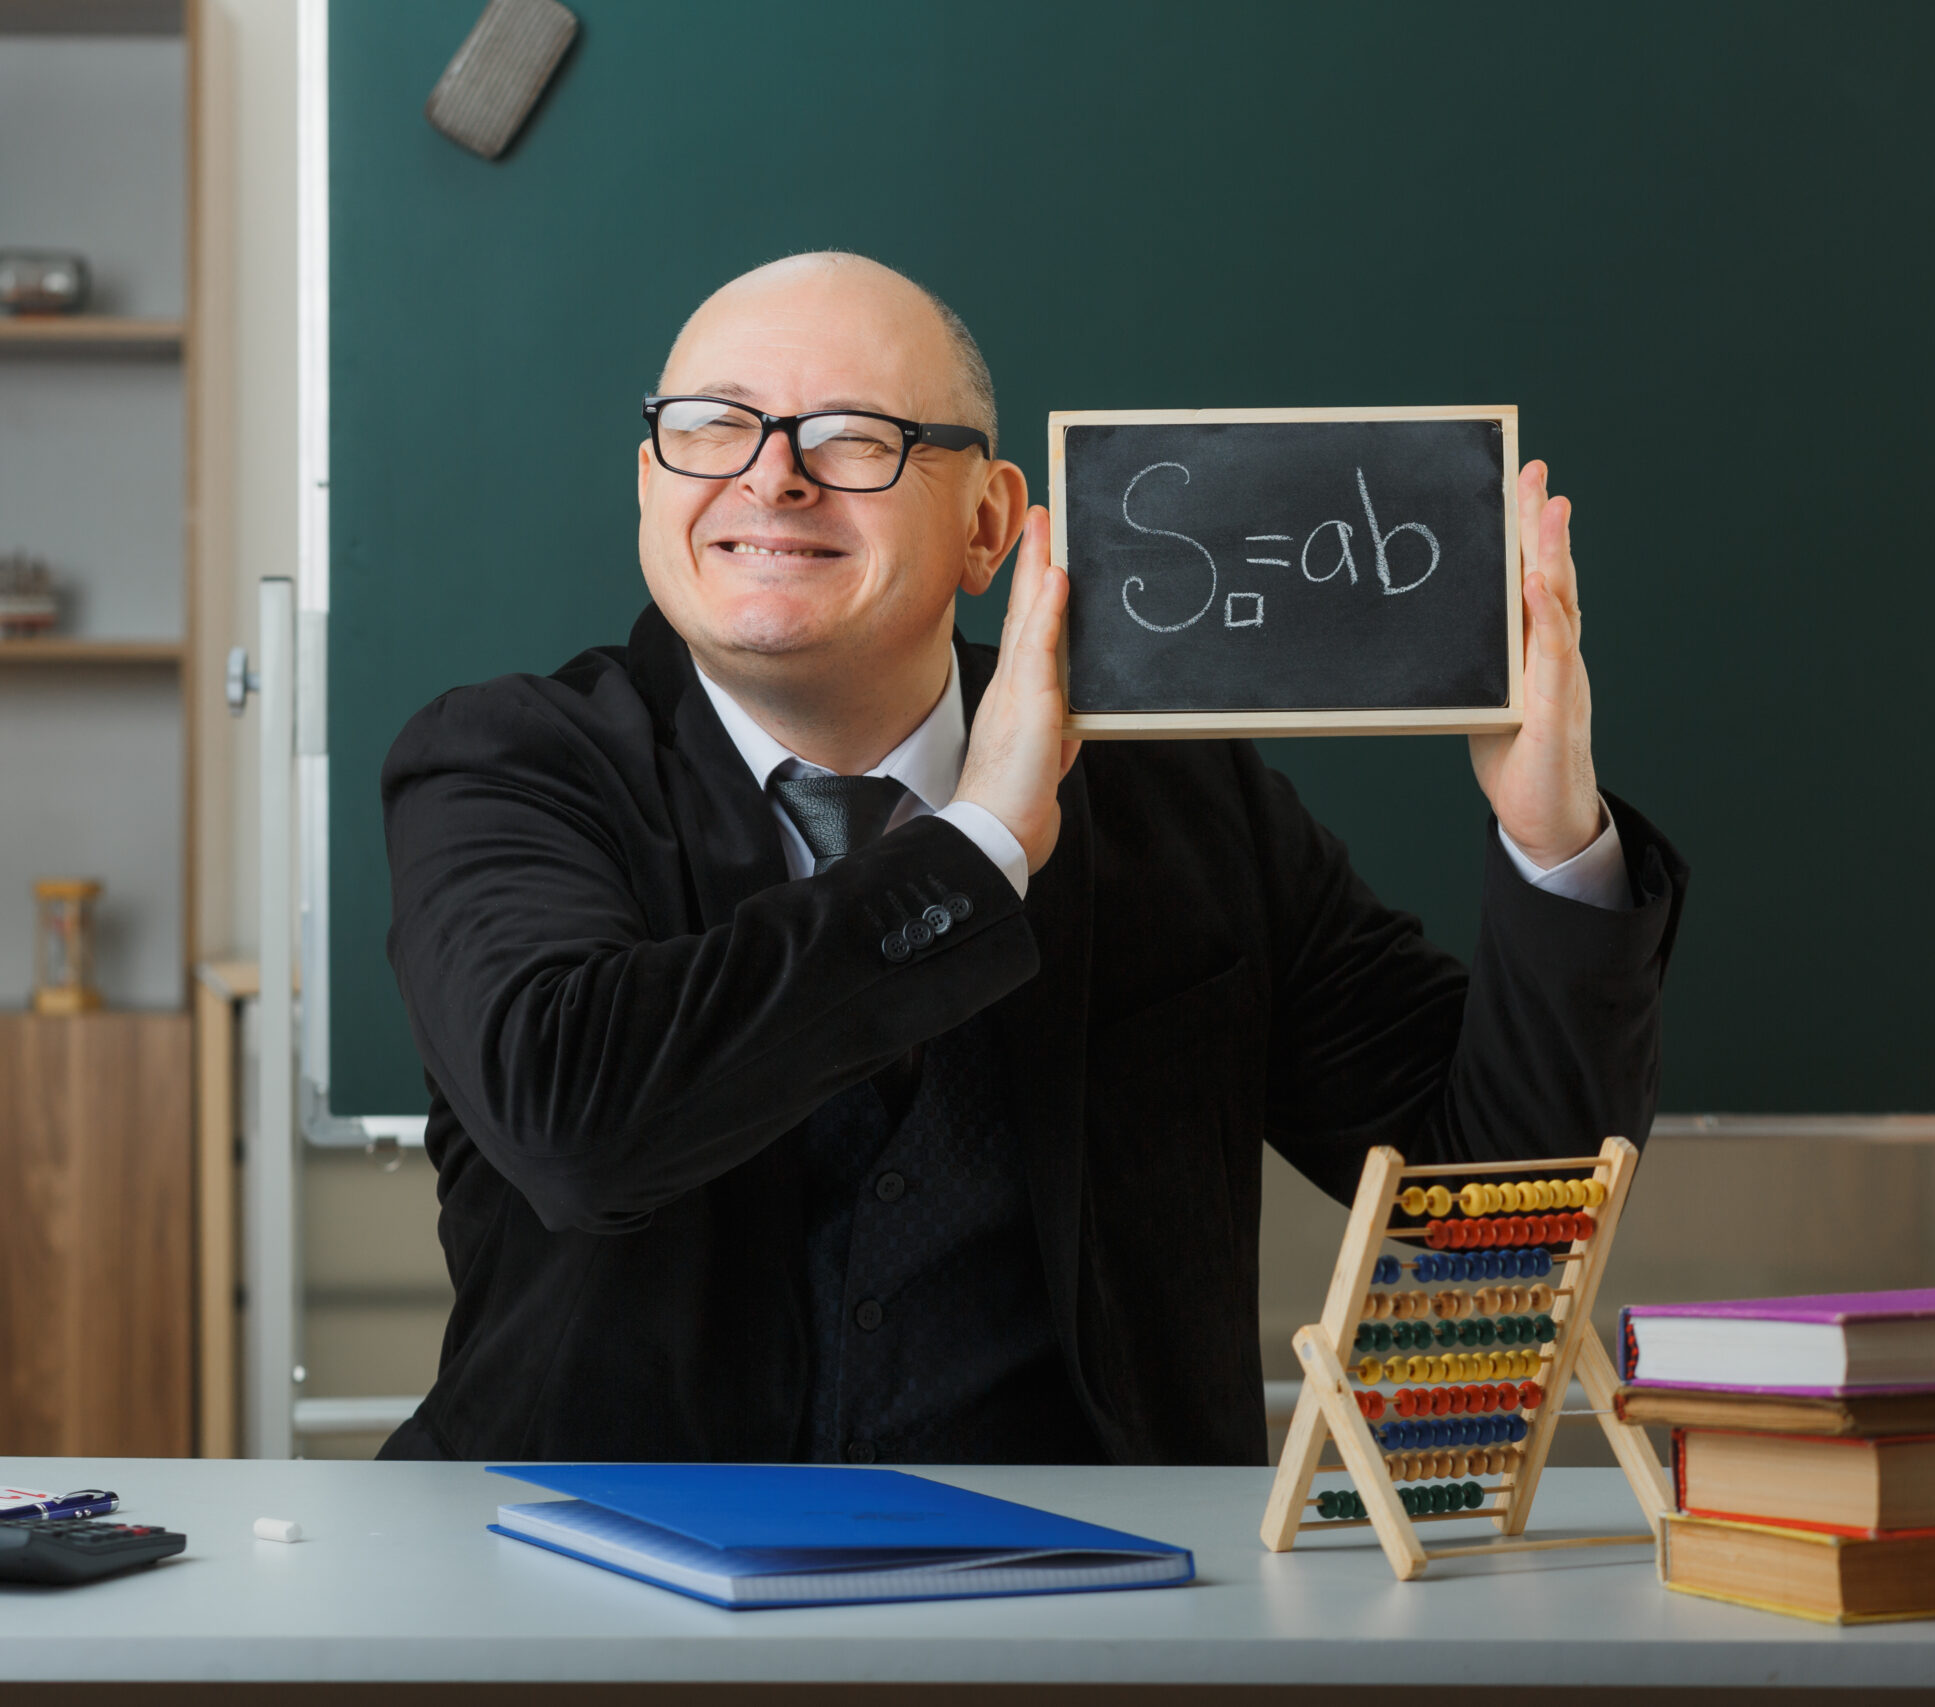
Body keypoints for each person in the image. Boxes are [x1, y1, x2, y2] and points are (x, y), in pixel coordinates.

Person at [377, 252, 1686, 1466]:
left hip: (1097, 1606)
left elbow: (1502, 1207)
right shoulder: (506, 764)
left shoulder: (1188, 798)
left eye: (854, 438)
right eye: (712, 426)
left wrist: (1552, 832)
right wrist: (976, 852)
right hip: (582, 1592)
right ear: (653, 478)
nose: (772, 479)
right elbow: (575, 1124)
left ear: (991, 524)